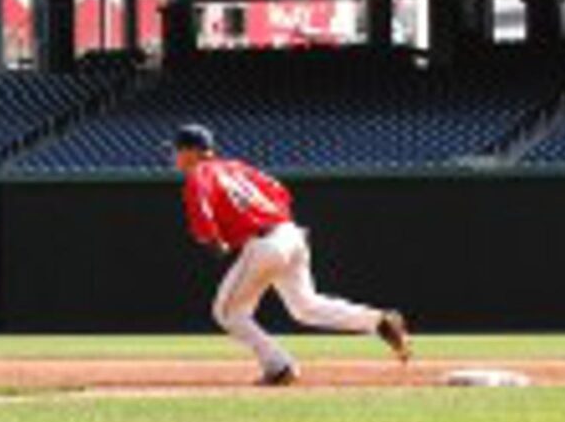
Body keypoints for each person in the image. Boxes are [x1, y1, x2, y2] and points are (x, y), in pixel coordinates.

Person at [173, 123, 411, 385]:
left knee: (228, 313)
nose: (174, 157)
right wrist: (282, 223)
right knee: (305, 306)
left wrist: (212, 239)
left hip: (265, 242)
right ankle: (379, 321)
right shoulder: (238, 168)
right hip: (291, 234)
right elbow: (279, 191)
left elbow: (201, 207)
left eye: (177, 151)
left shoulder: (199, 173)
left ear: (191, 152)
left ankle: (279, 366)